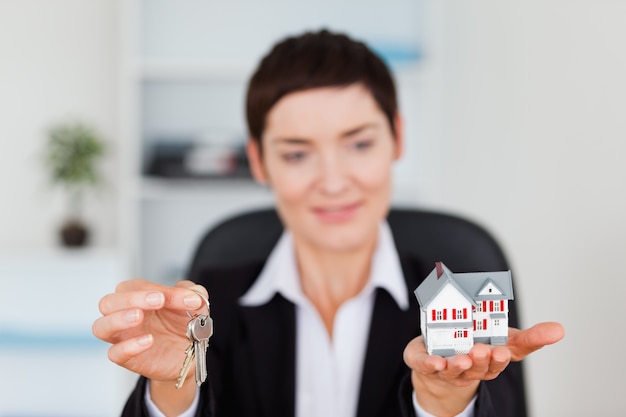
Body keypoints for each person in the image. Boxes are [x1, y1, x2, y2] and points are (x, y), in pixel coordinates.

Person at [93, 29, 564, 417]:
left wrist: (444, 403)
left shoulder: (457, 300)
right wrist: (175, 394)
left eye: (358, 144)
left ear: (397, 139)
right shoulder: (208, 311)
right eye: (297, 154)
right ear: (259, 162)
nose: (334, 181)